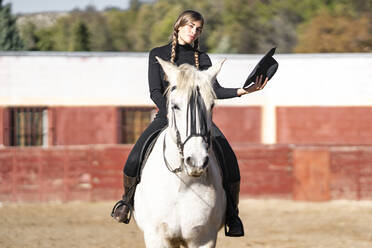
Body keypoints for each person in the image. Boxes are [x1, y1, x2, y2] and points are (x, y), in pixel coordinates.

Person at [111, 9, 268, 237]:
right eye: (190, 26)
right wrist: (172, 116)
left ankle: (232, 215)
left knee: (230, 159)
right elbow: (155, 91)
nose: (194, 32)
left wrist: (243, 91)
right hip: (168, 117)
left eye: (198, 29)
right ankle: (126, 202)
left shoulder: (202, 59)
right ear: (178, 26)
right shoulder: (158, 54)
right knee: (134, 157)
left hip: (200, 122)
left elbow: (215, 91)